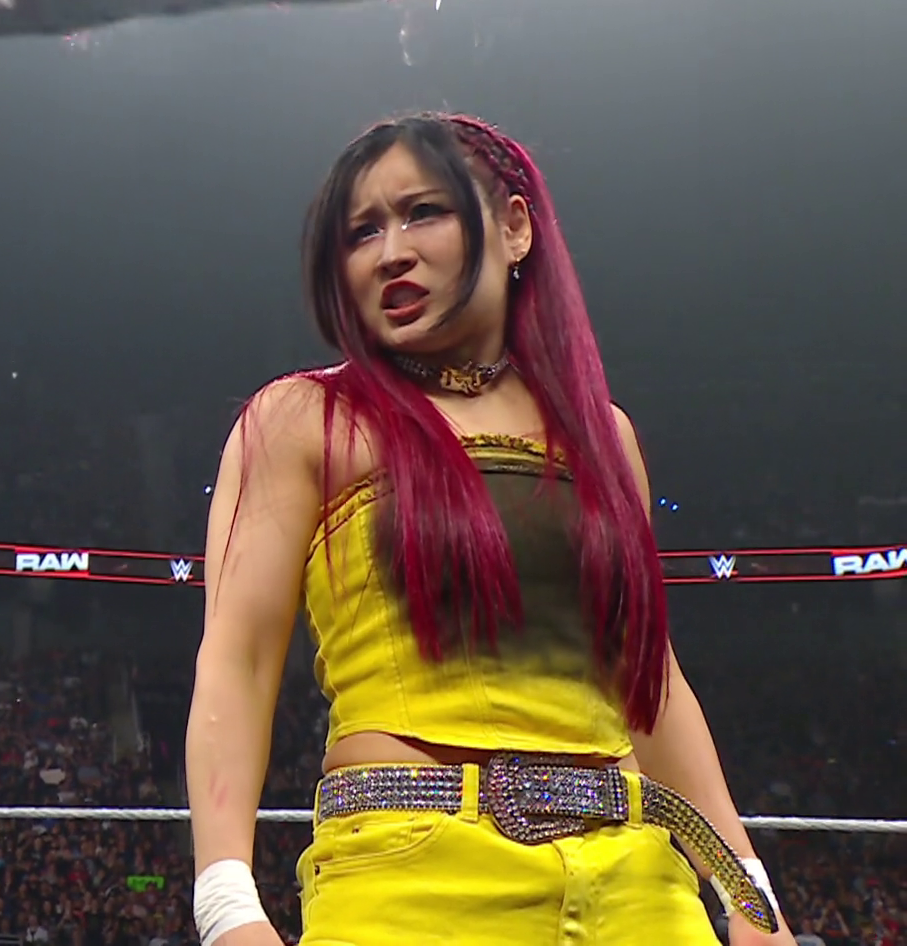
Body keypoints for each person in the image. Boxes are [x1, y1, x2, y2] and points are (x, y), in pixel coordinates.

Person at [184, 113, 793, 946]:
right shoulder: (303, 420)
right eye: (361, 231)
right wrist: (226, 905)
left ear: (514, 228)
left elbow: (648, 682)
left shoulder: (603, 437)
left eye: (422, 212)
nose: (389, 252)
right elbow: (239, 659)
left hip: (639, 884)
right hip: (410, 877)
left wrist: (749, 894)